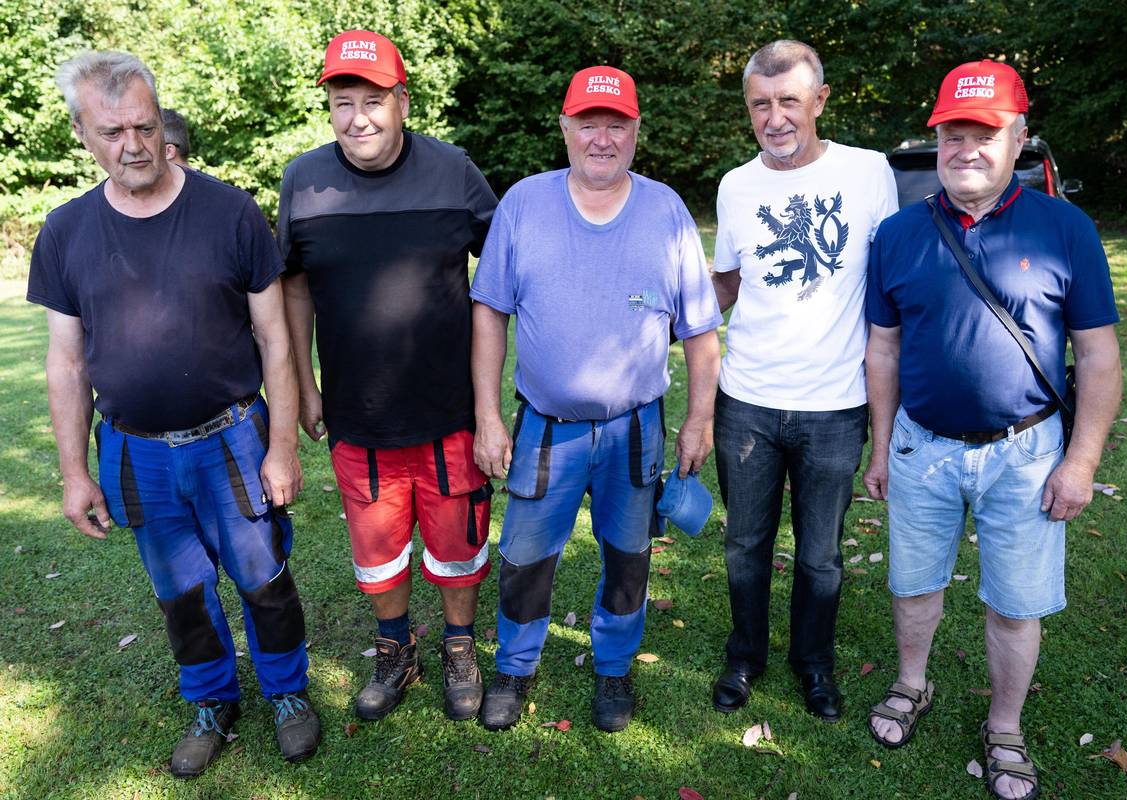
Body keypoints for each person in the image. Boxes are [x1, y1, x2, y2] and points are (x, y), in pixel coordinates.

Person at [27, 51, 320, 777]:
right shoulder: (65, 231)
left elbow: (276, 336)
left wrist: (282, 446)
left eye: (145, 126)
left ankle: (287, 693)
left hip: (231, 440)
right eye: (112, 131)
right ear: (80, 133)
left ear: (162, 122)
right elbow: (66, 363)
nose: (133, 145)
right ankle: (212, 701)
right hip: (136, 453)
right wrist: (73, 473)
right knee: (180, 592)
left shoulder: (229, 211)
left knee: (263, 578)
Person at [863, 60, 1121, 800]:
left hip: (1028, 454)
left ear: (1019, 140)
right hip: (922, 447)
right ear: (936, 138)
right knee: (915, 588)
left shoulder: (1065, 227)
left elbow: (1099, 356)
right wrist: (881, 448)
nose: (964, 148)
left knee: (1014, 603)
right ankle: (912, 684)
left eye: (984, 133)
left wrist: (1080, 462)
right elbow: (883, 348)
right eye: (952, 132)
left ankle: (1004, 726)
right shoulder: (899, 233)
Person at [470, 65, 722, 733]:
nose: (602, 138)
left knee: (628, 555)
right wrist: (488, 417)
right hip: (545, 429)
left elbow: (700, 331)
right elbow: (488, 311)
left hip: (635, 427)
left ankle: (613, 668)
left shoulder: (667, 211)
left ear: (636, 131)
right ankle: (515, 667)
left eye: (616, 124)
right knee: (524, 555)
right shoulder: (524, 203)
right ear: (565, 127)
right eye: (589, 123)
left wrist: (699, 420)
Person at [278, 29, 498, 723]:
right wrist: (309, 387)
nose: (358, 118)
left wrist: (491, 406)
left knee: (458, 548)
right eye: (343, 102)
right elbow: (293, 288)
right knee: (377, 553)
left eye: (373, 100)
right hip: (358, 416)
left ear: (402, 101)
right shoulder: (303, 180)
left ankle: (460, 648)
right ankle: (395, 652)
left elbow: (500, 278)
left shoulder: (453, 170)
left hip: (450, 414)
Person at [708, 40, 898, 721]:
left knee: (820, 557)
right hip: (748, 401)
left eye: (789, 101)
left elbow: (893, 279)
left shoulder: (870, 173)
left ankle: (813, 666)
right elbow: (726, 282)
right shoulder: (736, 185)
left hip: (835, 406)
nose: (775, 117)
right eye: (761, 104)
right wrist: (662, 313)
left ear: (819, 101)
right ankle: (745, 656)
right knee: (744, 545)